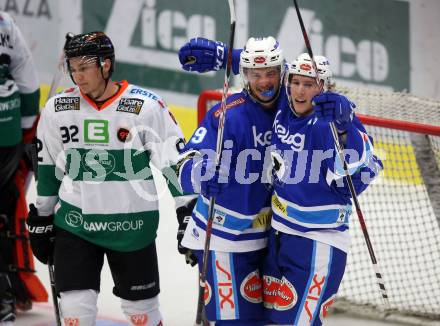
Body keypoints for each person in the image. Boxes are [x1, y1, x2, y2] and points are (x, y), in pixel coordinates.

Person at [25, 31, 193, 326]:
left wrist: (188, 210)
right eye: (73, 68)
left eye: (84, 68)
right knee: (75, 313)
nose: (77, 77)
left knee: (143, 314)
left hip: (132, 227)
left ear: (105, 65)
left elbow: (175, 163)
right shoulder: (58, 109)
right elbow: (49, 168)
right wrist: (42, 215)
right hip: (75, 226)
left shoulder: (145, 106)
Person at [264, 53, 383, 325]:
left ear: (325, 87)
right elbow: (263, 69)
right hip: (279, 233)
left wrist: (343, 126)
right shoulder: (283, 102)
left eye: (310, 84)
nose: (301, 90)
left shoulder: (330, 121)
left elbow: (354, 162)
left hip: (318, 242)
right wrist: (226, 56)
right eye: (296, 82)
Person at [176, 36, 284, 325]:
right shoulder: (226, 114)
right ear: (245, 75)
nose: (265, 82)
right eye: (256, 75)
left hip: (275, 236)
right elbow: (185, 163)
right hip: (227, 239)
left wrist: (229, 56)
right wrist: (201, 173)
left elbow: (316, 82)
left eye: (271, 73)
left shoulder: (292, 105)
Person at [0, 11, 48, 324]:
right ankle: (4, 293)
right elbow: (28, 82)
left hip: (7, 131)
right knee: (3, 208)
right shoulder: (4, 21)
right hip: (8, 132)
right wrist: (27, 135)